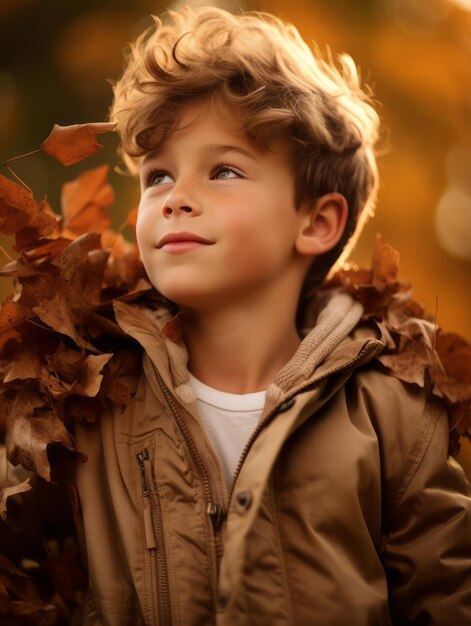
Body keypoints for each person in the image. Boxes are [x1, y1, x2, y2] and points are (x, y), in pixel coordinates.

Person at [15, 5, 471, 625]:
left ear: (316, 222)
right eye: (158, 177)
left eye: (223, 170)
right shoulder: (85, 392)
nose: (175, 198)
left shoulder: (392, 410)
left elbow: (446, 598)